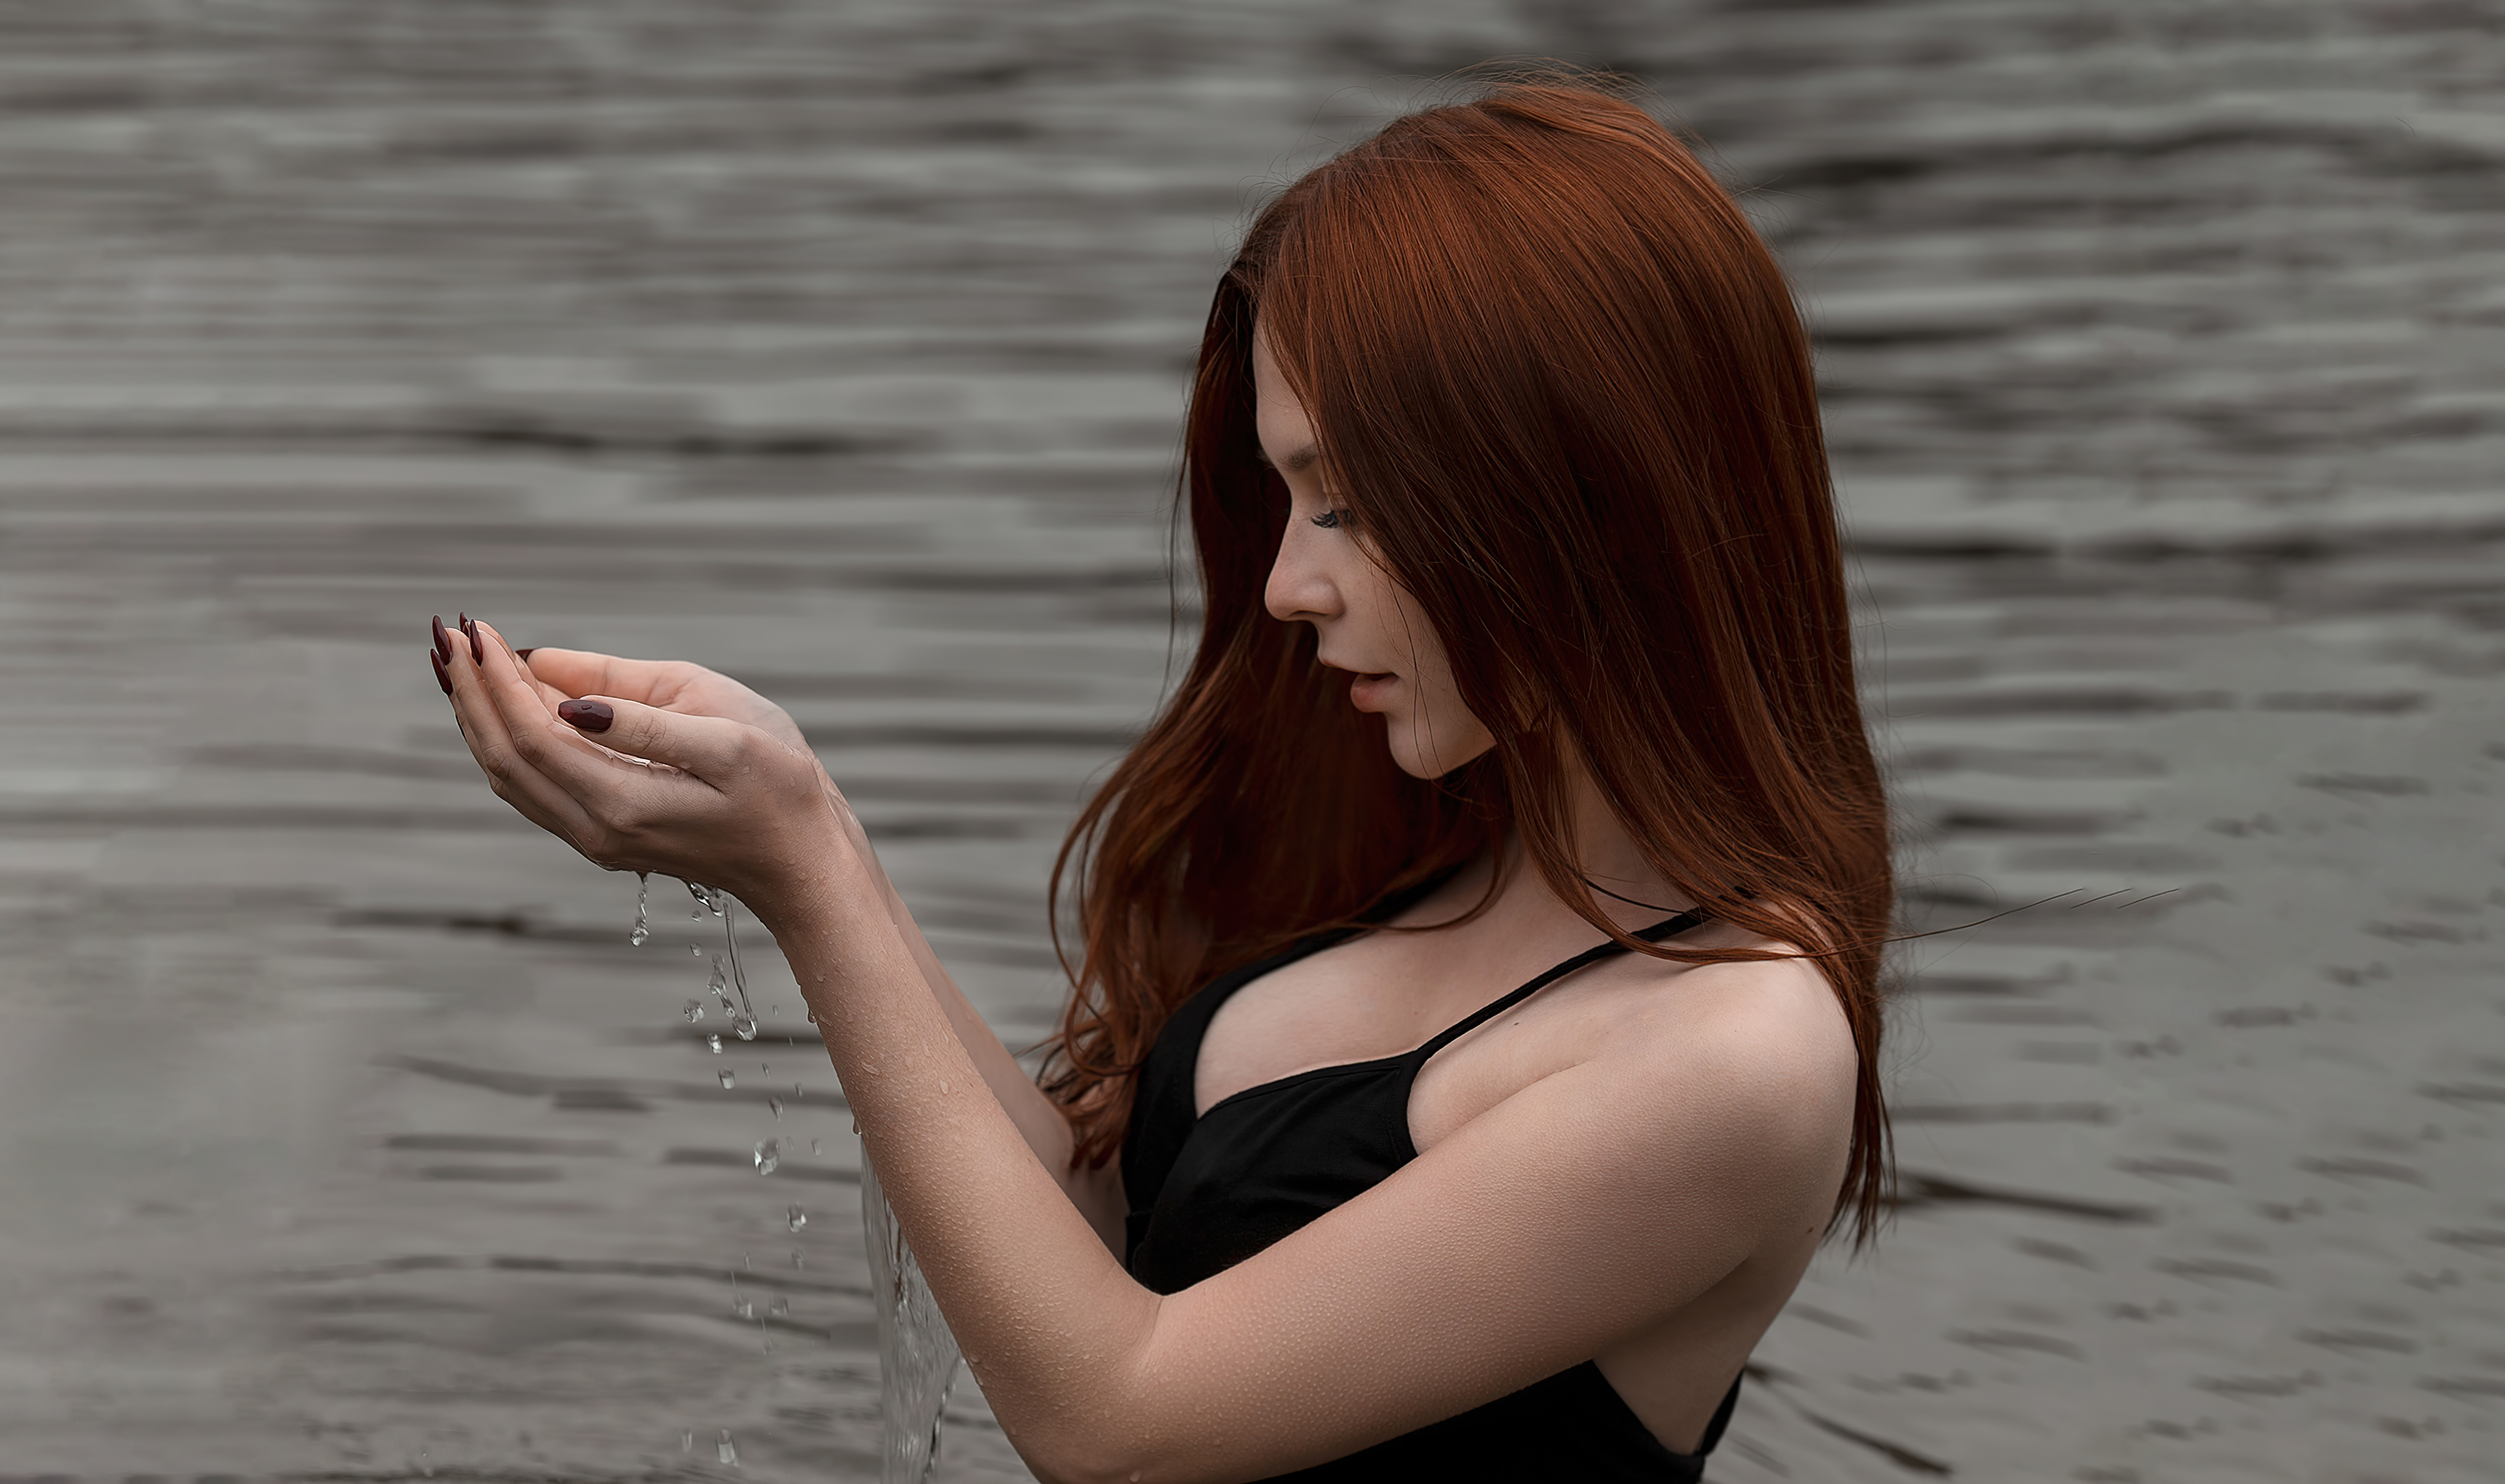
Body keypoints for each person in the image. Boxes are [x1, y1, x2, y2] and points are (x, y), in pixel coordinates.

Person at [430, 77, 1891, 1484]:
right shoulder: (1455, 856)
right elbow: (1093, 1250)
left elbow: (1119, 1423)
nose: (1285, 585)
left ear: (1575, 487)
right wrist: (811, 827)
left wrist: (803, 877)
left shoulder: (1737, 1054)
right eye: (1284, 499)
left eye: (1348, 502)